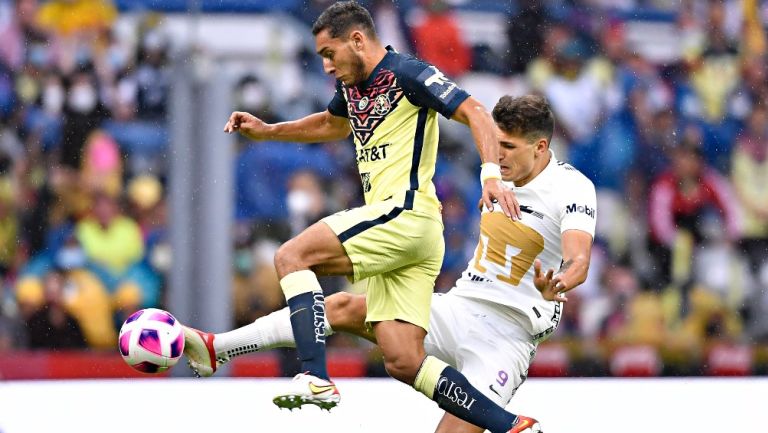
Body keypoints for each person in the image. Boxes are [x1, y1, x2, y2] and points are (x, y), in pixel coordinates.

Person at [189, 1, 526, 431]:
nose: (327, 66)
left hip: (404, 213)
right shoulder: (352, 87)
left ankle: (314, 375)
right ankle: (509, 424)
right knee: (403, 359)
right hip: (412, 234)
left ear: (357, 39)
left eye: (329, 54)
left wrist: (491, 174)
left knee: (292, 257)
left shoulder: (409, 74)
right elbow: (331, 124)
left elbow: (476, 111)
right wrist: (271, 130)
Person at [184, 95, 597, 433]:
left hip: (509, 337)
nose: (497, 154)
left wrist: (559, 282)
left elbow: (579, 259)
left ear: (541, 147)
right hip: (459, 307)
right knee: (340, 308)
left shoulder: (571, 187)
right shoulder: (495, 174)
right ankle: (217, 348)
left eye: (508, 147)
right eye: (495, 142)